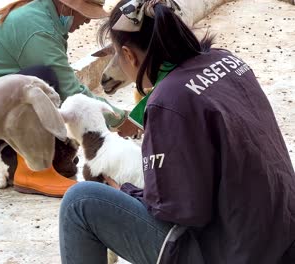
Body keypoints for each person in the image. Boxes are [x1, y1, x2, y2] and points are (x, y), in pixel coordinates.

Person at [59, 0, 295, 263]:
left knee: (78, 203)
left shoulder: (167, 100)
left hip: (237, 252)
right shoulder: (227, 60)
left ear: (129, 55)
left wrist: (126, 191)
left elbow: (180, 210)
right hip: (281, 237)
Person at [0, 0, 130, 198]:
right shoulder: (37, 28)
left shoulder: (41, 17)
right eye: (84, 12)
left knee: (46, 96)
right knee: (41, 80)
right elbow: (71, 92)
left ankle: (5, 155)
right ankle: (33, 172)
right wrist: (121, 119)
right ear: (66, 5)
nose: (87, 20)